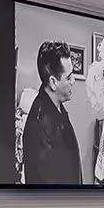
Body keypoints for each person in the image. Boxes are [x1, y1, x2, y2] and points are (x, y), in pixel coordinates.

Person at [22, 41, 82, 186]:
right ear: (53, 83)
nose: (73, 81)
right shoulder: (38, 126)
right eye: (69, 77)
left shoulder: (57, 106)